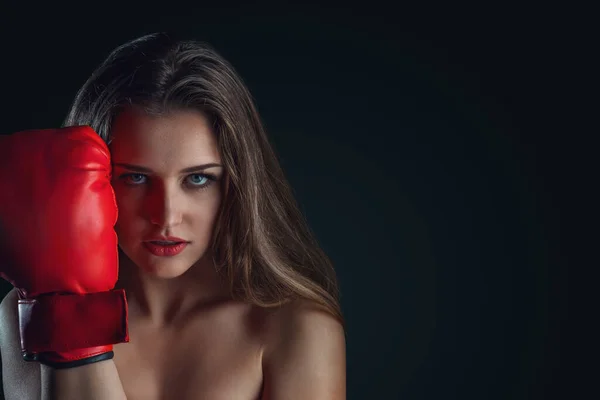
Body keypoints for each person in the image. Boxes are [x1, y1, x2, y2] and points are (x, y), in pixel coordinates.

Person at [0, 32, 346, 399]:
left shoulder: (297, 329)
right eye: (135, 177)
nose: (166, 216)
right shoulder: (28, 309)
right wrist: (71, 316)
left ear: (237, 183)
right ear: (92, 181)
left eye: (198, 178)